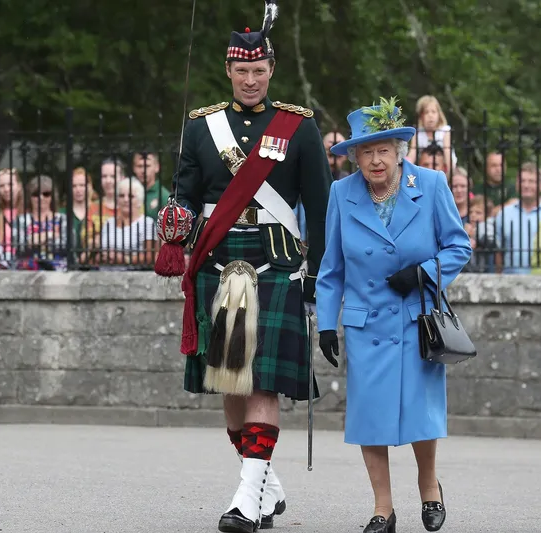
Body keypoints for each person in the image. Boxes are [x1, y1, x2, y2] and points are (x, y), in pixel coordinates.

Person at [172, 2, 332, 531]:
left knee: (261, 381)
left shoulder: (298, 126)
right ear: (228, 71)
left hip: (277, 265)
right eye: (241, 72)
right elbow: (187, 198)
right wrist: (174, 223)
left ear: (271, 71)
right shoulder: (201, 128)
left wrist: (318, 276)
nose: (249, 80)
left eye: (258, 71)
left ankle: (245, 499)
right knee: (230, 382)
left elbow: (321, 208)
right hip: (216, 260)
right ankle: (262, 482)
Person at [315, 97, 471, 533]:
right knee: (370, 416)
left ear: (398, 150)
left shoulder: (432, 184)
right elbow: (331, 268)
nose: (376, 159)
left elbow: (459, 247)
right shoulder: (340, 194)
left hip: (416, 321)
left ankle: (428, 485)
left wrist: (422, 274)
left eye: (384, 149)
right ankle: (383, 508)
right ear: (355, 157)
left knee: (420, 412)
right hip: (366, 323)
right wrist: (328, 323)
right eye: (366, 151)